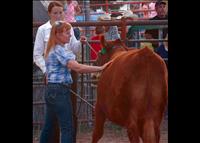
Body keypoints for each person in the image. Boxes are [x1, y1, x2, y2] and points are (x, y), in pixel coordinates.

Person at [41, 21, 111, 143]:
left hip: (51, 90)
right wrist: (101, 68)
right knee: (67, 127)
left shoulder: (51, 49)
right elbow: (78, 68)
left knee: (49, 126)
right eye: (67, 33)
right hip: (60, 91)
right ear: (57, 34)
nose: (70, 35)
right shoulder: (61, 51)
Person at [33, 1, 86, 143]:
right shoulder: (43, 29)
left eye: (61, 12)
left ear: (64, 12)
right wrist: (46, 71)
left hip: (69, 71)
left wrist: (79, 41)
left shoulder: (68, 27)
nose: (58, 15)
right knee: (63, 120)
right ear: (49, 13)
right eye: (55, 13)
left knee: (63, 114)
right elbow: (37, 54)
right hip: (54, 76)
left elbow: (74, 48)